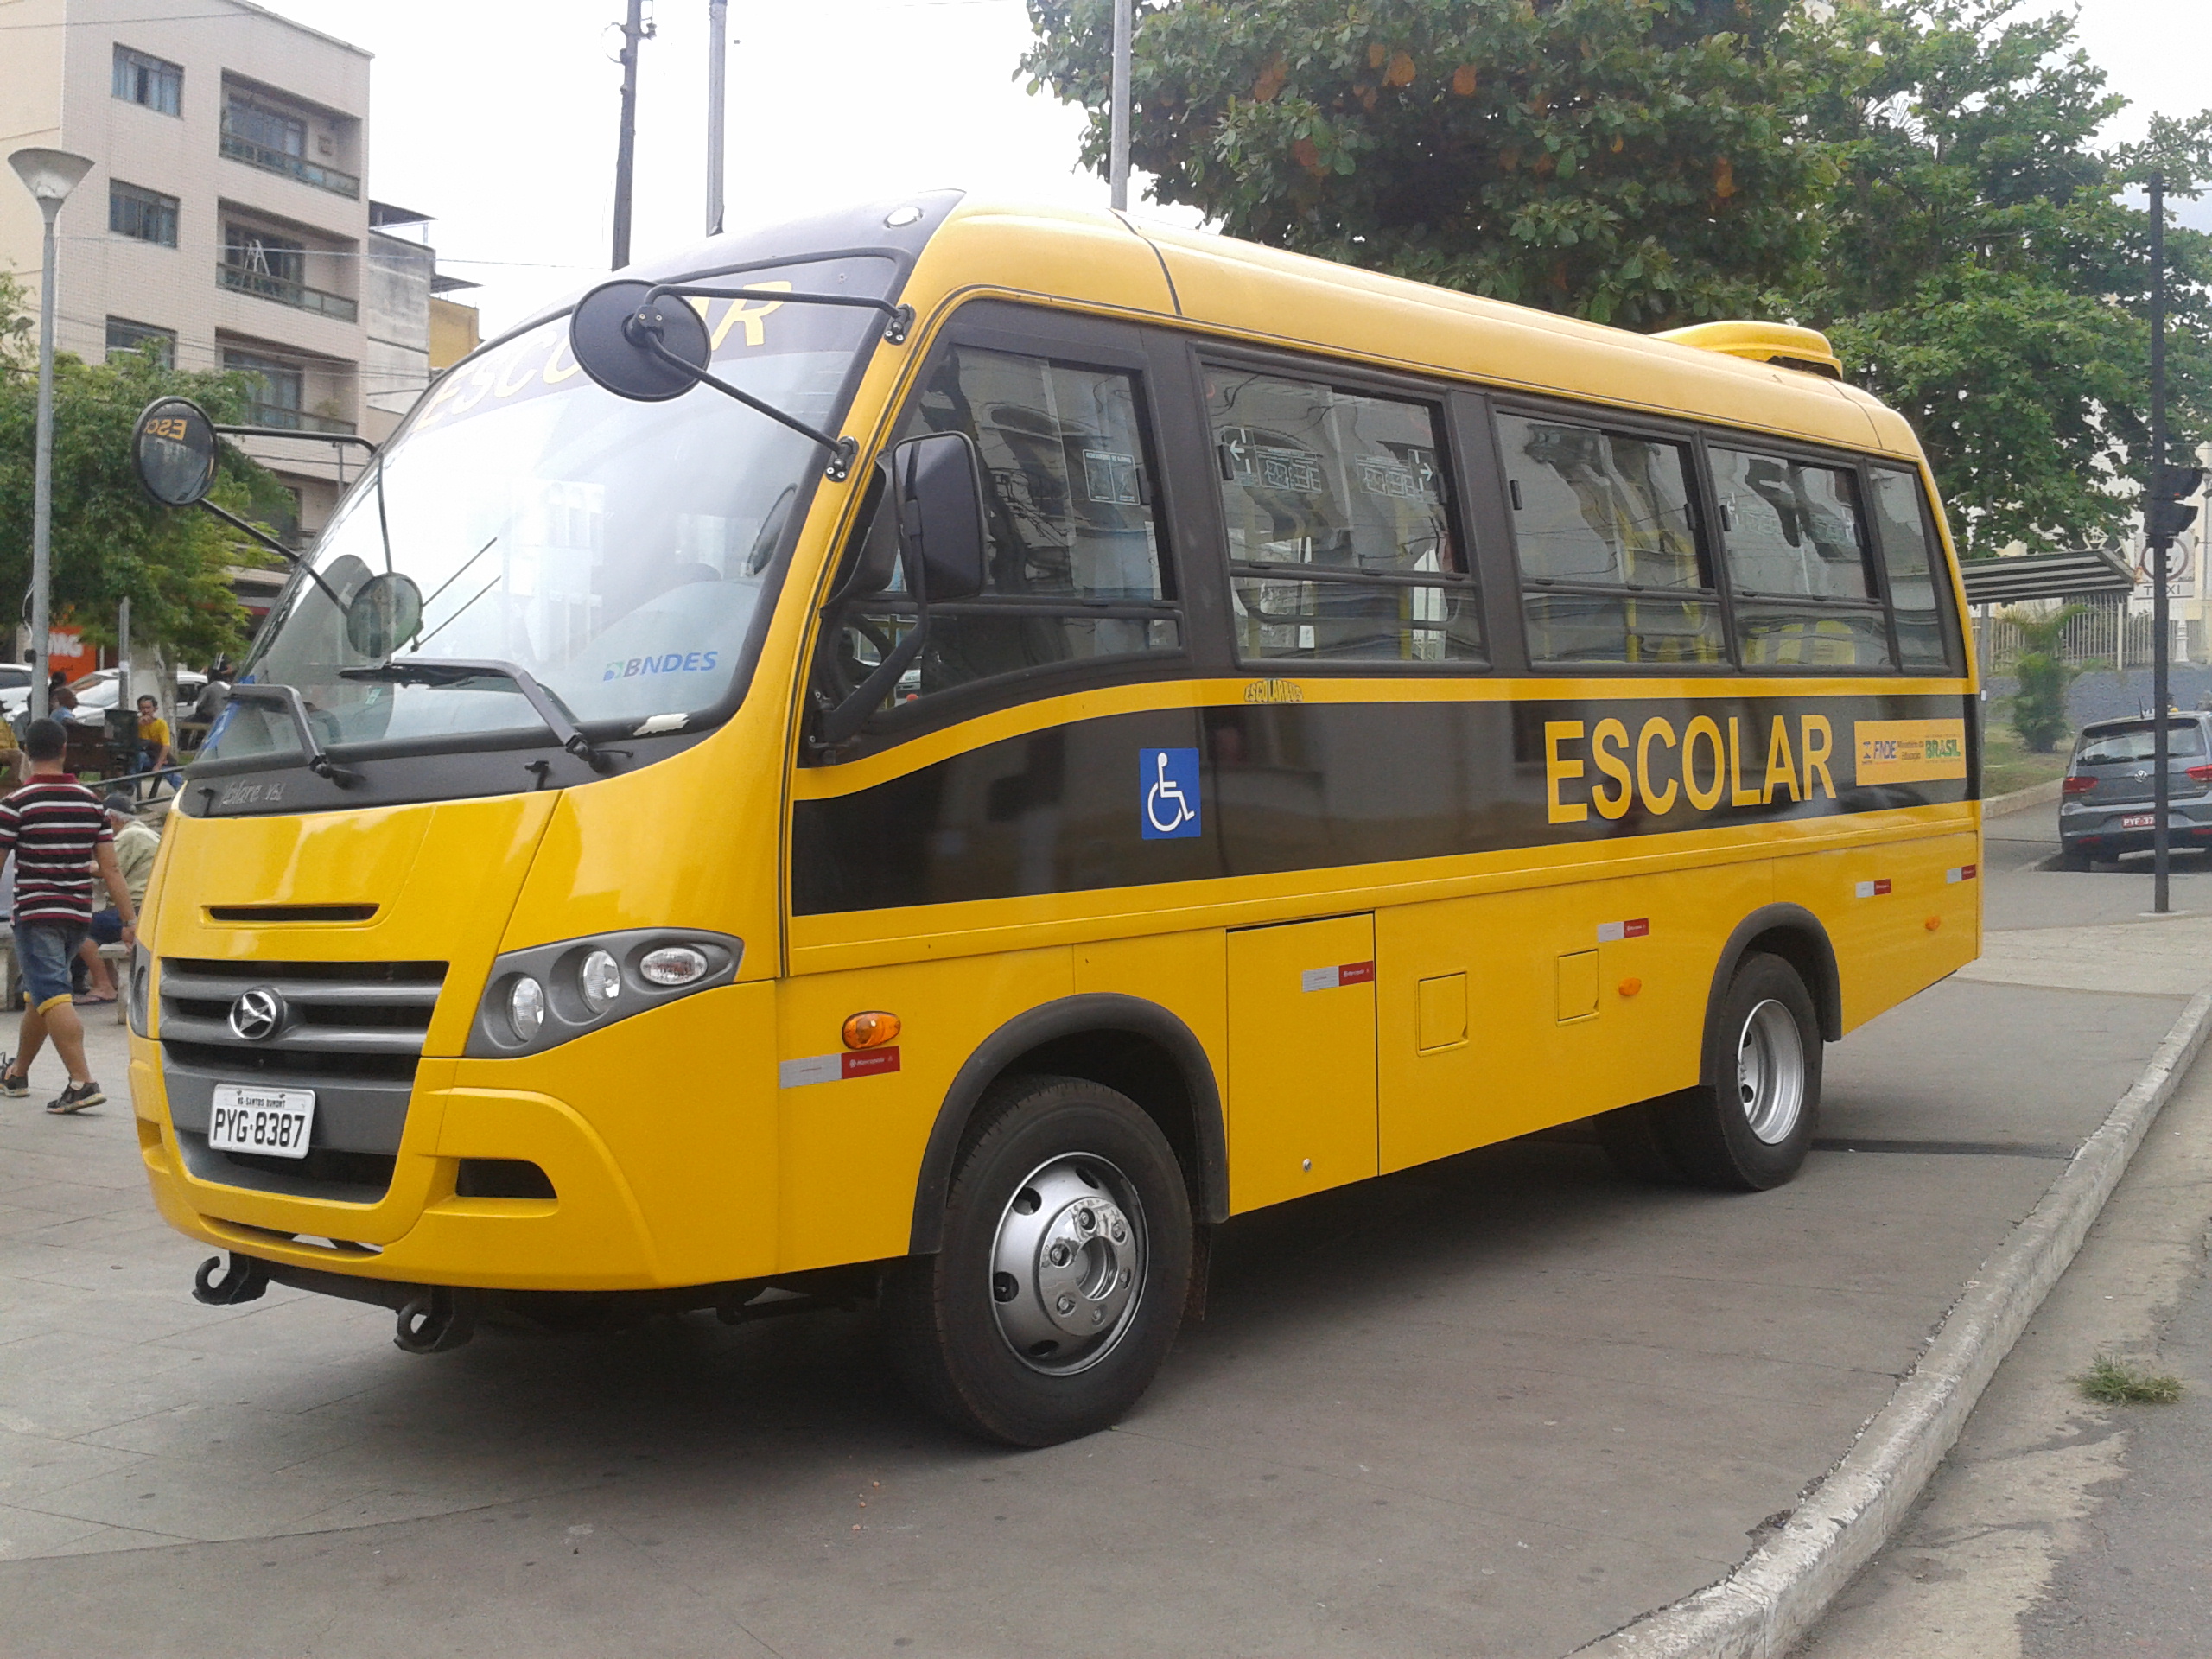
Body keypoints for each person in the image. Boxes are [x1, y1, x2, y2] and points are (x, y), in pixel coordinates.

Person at [0, 719, 137, 1114]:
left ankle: (82, 1082)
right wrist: (129, 922)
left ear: (27, 752)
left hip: (37, 912)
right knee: (40, 995)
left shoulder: (16, 803)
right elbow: (111, 870)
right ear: (63, 750)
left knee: (53, 994)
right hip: (78, 914)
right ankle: (18, 1074)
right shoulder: (92, 802)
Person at [76, 793, 157, 1004]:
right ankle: (110, 981)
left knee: (80, 929)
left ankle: (104, 986)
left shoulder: (129, 836)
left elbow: (105, 869)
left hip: (138, 909)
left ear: (110, 819)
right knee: (95, 924)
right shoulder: (145, 833)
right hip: (150, 906)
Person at [135, 695, 179, 795]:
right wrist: (137, 726)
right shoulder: (136, 723)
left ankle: (183, 795)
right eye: (142, 708)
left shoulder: (161, 724)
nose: (146, 711)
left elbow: (166, 746)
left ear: (155, 709)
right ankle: (130, 791)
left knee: (173, 776)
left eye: (148, 708)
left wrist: (158, 765)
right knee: (139, 757)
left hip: (158, 756)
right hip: (143, 758)